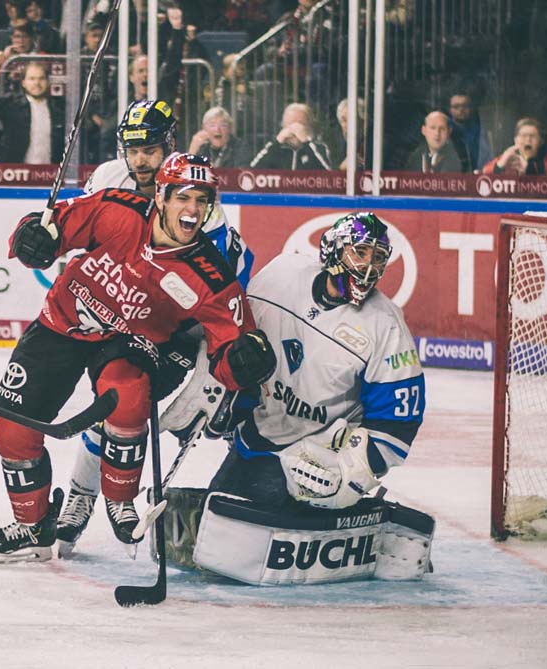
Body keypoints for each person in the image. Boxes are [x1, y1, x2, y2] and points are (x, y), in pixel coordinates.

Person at [0, 153, 277, 563]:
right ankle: (32, 525)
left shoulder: (210, 275)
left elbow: (231, 346)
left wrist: (245, 361)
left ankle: (120, 500)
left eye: (201, 200)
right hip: (62, 323)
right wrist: (32, 239)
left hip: (129, 339)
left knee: (127, 397)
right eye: (182, 197)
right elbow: (52, 228)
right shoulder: (117, 210)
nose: (191, 209)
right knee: (11, 432)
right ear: (162, 196)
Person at [158, 212, 431, 585]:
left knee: (242, 540)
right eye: (361, 252)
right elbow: (236, 334)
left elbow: (397, 422)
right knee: (226, 532)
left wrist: (349, 472)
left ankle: (362, 516)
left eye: (378, 258)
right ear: (335, 250)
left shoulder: (385, 324)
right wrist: (222, 393)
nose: (369, 267)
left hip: (322, 454)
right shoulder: (283, 274)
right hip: (260, 439)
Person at [53, 100, 256, 557]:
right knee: (110, 405)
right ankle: (84, 498)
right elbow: (85, 234)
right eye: (134, 149)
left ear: (170, 145)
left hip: (175, 326)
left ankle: (87, 499)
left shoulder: (196, 200)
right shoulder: (107, 177)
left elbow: (228, 283)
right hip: (117, 307)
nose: (142, 160)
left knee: (123, 405)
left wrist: (221, 359)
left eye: (152, 149)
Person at [0, 60, 64, 164]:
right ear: (23, 83)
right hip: (15, 172)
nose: (37, 83)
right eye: (32, 79)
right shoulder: (10, 104)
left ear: (48, 82)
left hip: (50, 172)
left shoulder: (59, 108)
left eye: (41, 78)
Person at [249, 102, 333, 170]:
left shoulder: (319, 147)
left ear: (309, 126)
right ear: (283, 126)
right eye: (291, 124)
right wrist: (277, 143)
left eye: (300, 124)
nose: (295, 129)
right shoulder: (272, 147)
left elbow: (328, 172)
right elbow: (252, 172)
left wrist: (307, 142)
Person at [482, 117, 547, 176]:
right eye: (523, 136)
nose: (528, 139)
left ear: (540, 141)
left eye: (532, 136)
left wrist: (529, 169)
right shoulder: (507, 160)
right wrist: (500, 165)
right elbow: (484, 173)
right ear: (516, 140)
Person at [187, 106, 252, 168]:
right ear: (204, 128)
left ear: (230, 128)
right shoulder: (202, 148)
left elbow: (241, 174)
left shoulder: (240, 147)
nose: (217, 129)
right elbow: (185, 176)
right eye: (212, 125)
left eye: (223, 125)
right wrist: (192, 151)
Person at [446, 93, 491, 171]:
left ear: (470, 108)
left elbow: (487, 160)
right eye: (456, 106)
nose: (461, 109)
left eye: (465, 106)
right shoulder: (444, 130)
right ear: (450, 110)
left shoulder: (479, 132)